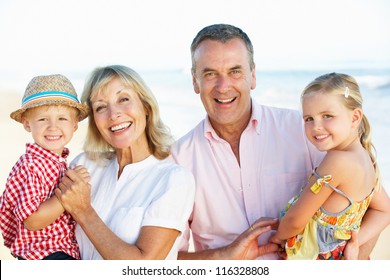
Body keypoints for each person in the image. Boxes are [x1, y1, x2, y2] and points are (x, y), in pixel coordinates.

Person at [170, 23, 389, 260]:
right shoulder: (176, 159)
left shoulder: (308, 132)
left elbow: (370, 205)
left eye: (235, 71)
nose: (224, 87)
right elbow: (167, 259)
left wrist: (350, 263)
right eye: (210, 73)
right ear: (195, 81)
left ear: (252, 75)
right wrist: (225, 255)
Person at [54, 65, 195, 260]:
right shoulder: (84, 165)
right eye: (101, 107)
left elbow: (143, 267)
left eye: (124, 99)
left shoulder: (174, 179)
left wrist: (84, 211)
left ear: (145, 106)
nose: (114, 114)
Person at [269, 72, 390, 260]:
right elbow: (385, 210)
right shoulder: (367, 160)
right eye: (308, 118)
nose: (316, 126)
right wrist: (354, 242)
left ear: (355, 117)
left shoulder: (337, 162)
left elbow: (295, 221)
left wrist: (278, 237)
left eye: (327, 116)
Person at [0, 74, 90, 260]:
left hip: (59, 251)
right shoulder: (32, 165)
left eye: (62, 119)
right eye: (42, 120)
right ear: (27, 124)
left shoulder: (57, 163)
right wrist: (69, 193)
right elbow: (33, 220)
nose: (53, 127)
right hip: (44, 254)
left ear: (75, 125)